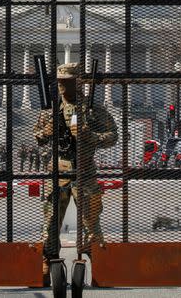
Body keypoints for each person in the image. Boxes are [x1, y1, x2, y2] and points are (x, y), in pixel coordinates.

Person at [33, 62, 118, 284]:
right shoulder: (51, 109)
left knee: (91, 224)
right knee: (50, 224)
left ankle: (101, 268)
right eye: (60, 82)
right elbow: (37, 137)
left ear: (78, 83)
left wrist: (91, 136)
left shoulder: (93, 110)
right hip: (57, 172)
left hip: (85, 172)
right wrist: (46, 132)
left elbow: (113, 136)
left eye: (68, 82)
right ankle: (46, 265)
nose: (62, 86)